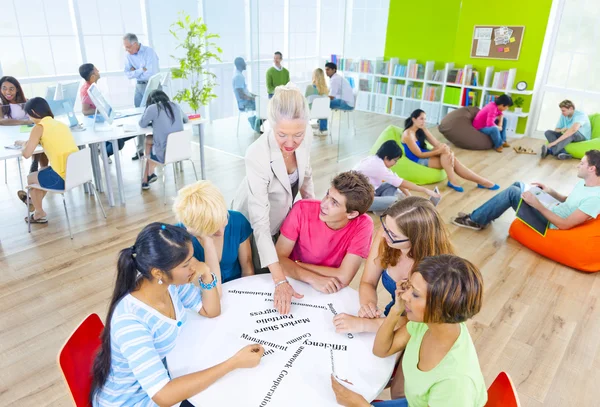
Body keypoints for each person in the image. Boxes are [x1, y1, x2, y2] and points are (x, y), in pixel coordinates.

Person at [90, 223, 264, 407]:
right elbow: (163, 396)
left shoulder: (167, 285)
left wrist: (206, 273)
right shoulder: (130, 321)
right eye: (186, 264)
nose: (193, 267)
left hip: (158, 382)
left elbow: (211, 310)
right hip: (133, 401)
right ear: (159, 272)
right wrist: (233, 363)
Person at [333, 197, 453, 399]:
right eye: (385, 226)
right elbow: (367, 282)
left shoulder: (432, 270)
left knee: (400, 391)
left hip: (420, 327)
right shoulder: (387, 234)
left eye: (393, 234)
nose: (384, 235)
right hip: (396, 314)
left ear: (416, 239)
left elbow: (412, 323)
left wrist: (364, 324)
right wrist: (368, 305)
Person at [331, 254, 487, 407]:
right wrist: (395, 310)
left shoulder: (456, 383)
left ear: (440, 308)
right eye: (409, 286)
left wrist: (359, 405)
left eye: (415, 294)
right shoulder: (430, 323)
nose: (404, 295)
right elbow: (381, 350)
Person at [232, 83, 314, 315]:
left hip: (282, 214)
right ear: (270, 126)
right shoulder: (257, 154)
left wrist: (314, 213)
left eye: (297, 134)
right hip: (254, 219)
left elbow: (307, 178)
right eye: (282, 135)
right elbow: (260, 222)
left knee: (279, 267)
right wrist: (279, 281)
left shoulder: (306, 138)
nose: (290, 143)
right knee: (263, 274)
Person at [452, 149, 600, 231]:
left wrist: (537, 205)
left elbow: (565, 224)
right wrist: (550, 191)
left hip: (550, 224)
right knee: (518, 184)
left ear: (592, 168)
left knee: (513, 193)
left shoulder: (595, 198)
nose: (577, 165)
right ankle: (483, 215)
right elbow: (568, 201)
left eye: (581, 163)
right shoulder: (584, 183)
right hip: (553, 209)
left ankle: (475, 220)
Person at [276, 171, 374, 294]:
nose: (323, 204)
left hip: (328, 286)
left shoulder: (364, 224)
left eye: (334, 202)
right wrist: (312, 278)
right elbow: (278, 260)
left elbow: (344, 277)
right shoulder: (302, 208)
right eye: (327, 195)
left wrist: (296, 265)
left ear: (351, 214)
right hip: (293, 280)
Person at [173, 180, 254, 283]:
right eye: (213, 230)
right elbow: (210, 285)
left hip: (237, 286)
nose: (221, 232)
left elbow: (247, 267)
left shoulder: (238, 221)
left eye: (224, 222)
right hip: (205, 291)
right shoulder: (179, 238)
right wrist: (207, 240)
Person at [401, 109, 499, 193]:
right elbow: (419, 154)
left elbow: (437, 144)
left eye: (425, 119)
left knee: (446, 152)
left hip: (426, 154)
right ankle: (480, 182)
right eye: (421, 119)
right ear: (413, 119)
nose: (424, 121)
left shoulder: (420, 129)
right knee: (452, 160)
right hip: (418, 159)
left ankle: (455, 181)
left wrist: (448, 150)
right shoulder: (408, 134)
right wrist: (440, 151)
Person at [15, 98, 78, 224]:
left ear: (33, 112)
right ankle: (33, 203)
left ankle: (39, 213)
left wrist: (22, 147)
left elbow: (27, 154)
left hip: (62, 179)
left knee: (31, 178)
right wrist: (24, 142)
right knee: (42, 171)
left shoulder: (39, 127)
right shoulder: (60, 124)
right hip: (76, 173)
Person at [353, 140, 441, 213]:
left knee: (392, 185)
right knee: (396, 201)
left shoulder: (375, 159)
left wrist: (408, 195)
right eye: (395, 160)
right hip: (359, 201)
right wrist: (425, 190)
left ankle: (381, 207)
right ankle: (380, 207)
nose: (395, 163)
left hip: (369, 192)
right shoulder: (379, 167)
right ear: (387, 158)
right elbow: (402, 183)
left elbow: (398, 181)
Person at [79, 63, 133, 159]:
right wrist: (101, 110)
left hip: (103, 120)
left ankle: (103, 151)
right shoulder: (86, 90)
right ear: (92, 76)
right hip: (97, 124)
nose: (98, 71)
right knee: (119, 140)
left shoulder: (91, 86)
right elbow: (85, 111)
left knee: (123, 133)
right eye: (96, 70)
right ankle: (103, 153)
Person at [138, 89, 188, 190]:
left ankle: (148, 176)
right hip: (182, 151)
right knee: (149, 139)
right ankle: (147, 177)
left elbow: (142, 124)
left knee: (148, 141)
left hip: (164, 154)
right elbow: (186, 119)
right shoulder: (175, 105)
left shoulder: (152, 108)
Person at [123, 32, 160, 159]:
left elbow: (151, 73)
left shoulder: (149, 52)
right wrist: (140, 70)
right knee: (139, 116)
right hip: (139, 87)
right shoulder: (128, 56)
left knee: (156, 116)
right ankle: (140, 149)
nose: (126, 50)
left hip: (152, 85)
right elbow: (127, 74)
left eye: (128, 47)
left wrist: (135, 71)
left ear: (135, 44)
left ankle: (157, 147)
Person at [0, 76, 48, 173]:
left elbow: (35, 116)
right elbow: (1, 121)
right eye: (4, 88)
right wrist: (25, 121)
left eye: (11, 89)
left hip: (26, 132)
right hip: (10, 136)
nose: (7, 92)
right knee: (36, 141)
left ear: (17, 89)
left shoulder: (26, 101)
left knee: (41, 140)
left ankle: (41, 167)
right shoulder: (1, 104)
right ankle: (36, 163)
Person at [233, 56, 261, 132]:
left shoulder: (239, 75)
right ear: (240, 65)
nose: (245, 64)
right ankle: (253, 120)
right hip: (244, 104)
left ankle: (255, 121)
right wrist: (254, 99)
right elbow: (241, 95)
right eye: (244, 63)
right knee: (265, 106)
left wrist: (254, 96)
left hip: (246, 101)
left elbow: (245, 92)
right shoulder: (238, 77)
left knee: (263, 103)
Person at [305, 68, 329, 133]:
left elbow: (305, 101)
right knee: (323, 107)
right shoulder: (326, 89)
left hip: (311, 112)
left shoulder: (309, 87)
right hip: (323, 113)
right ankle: (323, 129)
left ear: (314, 76)